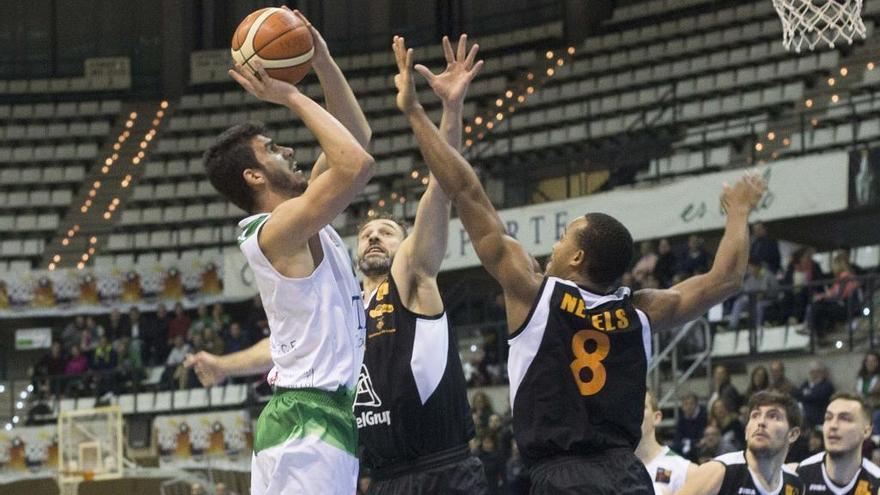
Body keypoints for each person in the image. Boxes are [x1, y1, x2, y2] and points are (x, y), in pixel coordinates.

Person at [393, 34, 767, 494]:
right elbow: (726, 279)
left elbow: (466, 190)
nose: (553, 246)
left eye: (563, 237)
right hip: (628, 477)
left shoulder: (533, 291)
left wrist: (415, 112)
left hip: (560, 475)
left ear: (577, 256)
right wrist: (739, 213)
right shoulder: (642, 311)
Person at [184, 10, 373, 495]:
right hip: (307, 422)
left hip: (310, 415)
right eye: (272, 149)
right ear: (253, 176)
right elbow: (356, 163)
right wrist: (289, 94)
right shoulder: (276, 231)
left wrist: (323, 60)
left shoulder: (304, 217)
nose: (288, 150)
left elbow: (356, 139)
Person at [353, 35, 487, 494]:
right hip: (382, 479)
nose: (373, 235)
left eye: (386, 230)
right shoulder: (347, 310)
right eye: (366, 233)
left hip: (441, 471)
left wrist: (449, 110)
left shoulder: (409, 274)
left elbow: (441, 186)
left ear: (405, 241)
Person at [678, 391, 804, 495]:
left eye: (773, 416)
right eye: (755, 415)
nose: (761, 422)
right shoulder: (719, 471)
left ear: (793, 434)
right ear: (746, 431)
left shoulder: (794, 484)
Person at [795, 393, 880, 493]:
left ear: (866, 431)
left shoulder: (877, 482)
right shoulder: (800, 474)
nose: (833, 425)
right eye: (828, 418)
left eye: (845, 419)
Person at [636, 390, 697, 494]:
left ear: (656, 417)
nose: (634, 413)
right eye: (629, 409)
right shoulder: (613, 469)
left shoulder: (685, 470)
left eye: (641, 407)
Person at [796, 361, 835, 429]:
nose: (814, 374)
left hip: (818, 417)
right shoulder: (806, 384)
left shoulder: (827, 385)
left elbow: (817, 397)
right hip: (804, 417)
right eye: (812, 372)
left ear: (822, 372)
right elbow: (797, 395)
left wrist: (806, 395)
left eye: (817, 371)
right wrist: (809, 394)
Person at [674, 392, 708, 462]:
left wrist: (688, 443)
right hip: (687, 446)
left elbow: (700, 439)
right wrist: (689, 443)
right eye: (686, 404)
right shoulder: (682, 418)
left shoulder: (703, 416)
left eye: (691, 404)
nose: (688, 407)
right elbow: (677, 439)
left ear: (696, 404)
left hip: (700, 448)